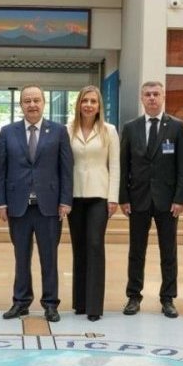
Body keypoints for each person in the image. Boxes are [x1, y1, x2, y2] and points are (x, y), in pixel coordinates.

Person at [0, 86, 74, 322]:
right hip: (17, 205)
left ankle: (50, 303)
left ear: (43, 103)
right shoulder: (7, 132)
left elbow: (66, 169)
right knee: (21, 257)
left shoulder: (58, 131)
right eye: (27, 101)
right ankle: (21, 302)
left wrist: (65, 200)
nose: (32, 105)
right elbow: (1, 169)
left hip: (49, 206)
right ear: (21, 105)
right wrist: (1, 202)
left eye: (36, 100)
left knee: (49, 258)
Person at [119, 80, 183, 318]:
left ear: (163, 97)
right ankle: (133, 296)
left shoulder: (177, 127)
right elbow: (124, 165)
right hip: (138, 198)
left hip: (168, 201)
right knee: (136, 251)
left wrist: (180, 198)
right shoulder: (131, 128)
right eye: (148, 94)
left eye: (156, 94)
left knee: (168, 252)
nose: (152, 98)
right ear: (142, 98)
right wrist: (123, 197)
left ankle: (168, 298)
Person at [67, 86, 120, 321]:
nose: (89, 105)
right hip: (74, 195)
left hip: (100, 195)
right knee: (79, 247)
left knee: (95, 246)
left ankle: (94, 306)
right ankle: (80, 302)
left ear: (99, 106)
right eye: (85, 101)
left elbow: (115, 165)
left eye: (93, 101)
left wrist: (113, 197)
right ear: (78, 104)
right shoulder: (67, 130)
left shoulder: (110, 131)